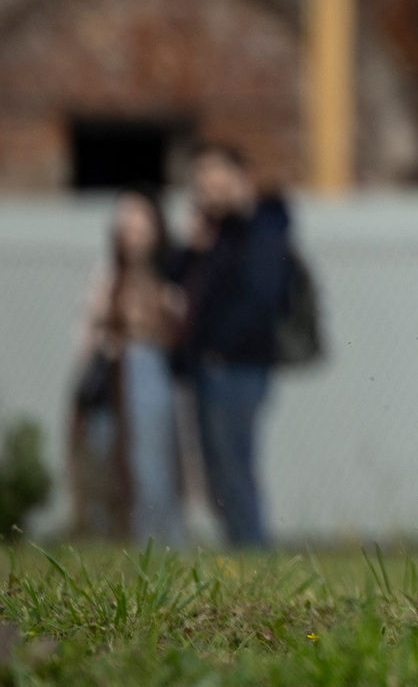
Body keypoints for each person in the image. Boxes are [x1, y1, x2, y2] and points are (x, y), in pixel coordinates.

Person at [173, 143, 292, 547]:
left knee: (233, 464)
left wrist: (220, 347)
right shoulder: (212, 235)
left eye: (215, 179)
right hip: (209, 366)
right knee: (214, 468)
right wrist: (193, 248)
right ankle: (238, 551)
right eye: (201, 183)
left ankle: (253, 552)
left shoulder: (263, 225)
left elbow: (262, 296)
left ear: (242, 178)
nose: (207, 190)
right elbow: (179, 283)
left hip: (238, 366)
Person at [70, 191, 188, 544]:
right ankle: (111, 540)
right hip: (109, 376)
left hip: (150, 371)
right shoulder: (108, 275)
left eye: (140, 224)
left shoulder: (171, 274)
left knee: (152, 462)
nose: (132, 232)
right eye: (126, 225)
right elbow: (89, 331)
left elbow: (178, 327)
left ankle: (160, 542)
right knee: (102, 455)